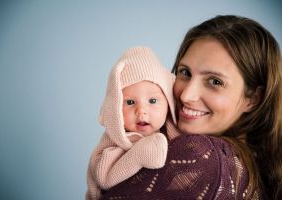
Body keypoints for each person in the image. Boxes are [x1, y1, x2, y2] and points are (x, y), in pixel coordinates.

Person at [99, 15, 282, 200]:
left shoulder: (200, 155)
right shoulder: (254, 165)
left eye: (215, 81)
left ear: (253, 99)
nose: (186, 95)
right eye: (185, 72)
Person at [86, 46, 178, 200]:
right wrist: (139, 154)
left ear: (168, 103)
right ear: (115, 107)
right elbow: (105, 179)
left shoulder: (169, 131)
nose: (141, 110)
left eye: (153, 101)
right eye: (129, 102)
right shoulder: (113, 139)